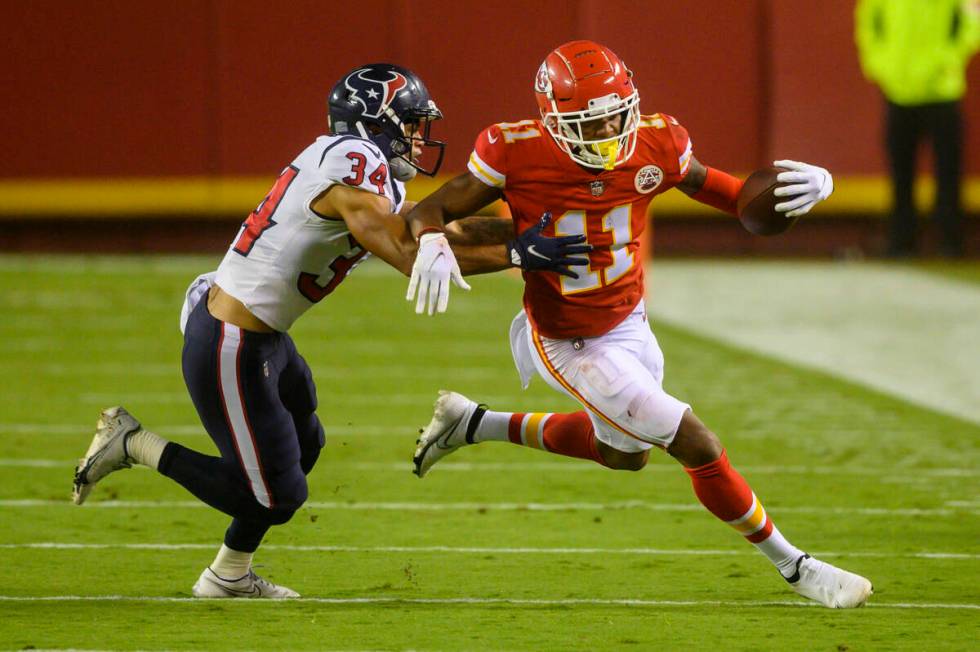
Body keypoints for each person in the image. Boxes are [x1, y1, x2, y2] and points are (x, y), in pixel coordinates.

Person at [71, 63, 588, 599]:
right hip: (232, 339)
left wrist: (527, 226)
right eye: (410, 122)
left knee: (305, 443)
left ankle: (227, 575)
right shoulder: (354, 164)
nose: (418, 136)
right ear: (374, 120)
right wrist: (516, 253)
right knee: (276, 496)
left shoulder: (358, 165)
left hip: (261, 334)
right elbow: (411, 254)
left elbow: (433, 228)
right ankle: (133, 443)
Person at [409, 40, 873, 609]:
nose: (606, 130)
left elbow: (733, 198)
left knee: (626, 456)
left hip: (630, 320)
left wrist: (801, 193)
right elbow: (427, 212)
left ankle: (474, 423)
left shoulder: (656, 140)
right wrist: (431, 237)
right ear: (551, 118)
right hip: (566, 338)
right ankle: (796, 567)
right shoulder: (514, 149)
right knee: (695, 441)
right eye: (590, 120)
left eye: (614, 114)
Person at [855, 0, 980, 258]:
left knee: (947, 171)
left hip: (943, 90)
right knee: (901, 172)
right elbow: (867, 23)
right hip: (898, 90)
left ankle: (950, 241)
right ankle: (901, 240)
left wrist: (947, 59)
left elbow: (973, 19)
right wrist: (879, 64)